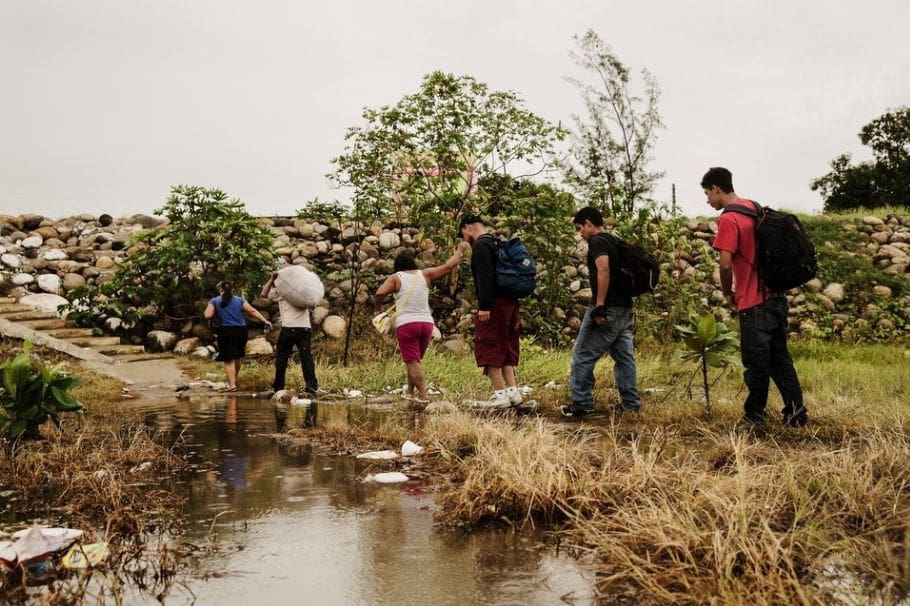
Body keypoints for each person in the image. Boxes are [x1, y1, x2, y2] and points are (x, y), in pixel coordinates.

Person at [701, 166, 808, 428]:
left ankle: (754, 416)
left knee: (755, 362)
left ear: (717, 188)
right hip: (776, 297)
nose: (707, 199)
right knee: (780, 359)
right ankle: (796, 413)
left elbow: (725, 264)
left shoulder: (728, 219)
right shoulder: (755, 208)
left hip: (753, 302)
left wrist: (727, 292)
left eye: (707, 193)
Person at [562, 206, 642, 417]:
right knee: (624, 357)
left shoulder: (597, 241)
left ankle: (582, 403)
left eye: (580, 228)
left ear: (589, 223)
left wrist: (599, 306)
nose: (580, 233)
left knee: (582, 355)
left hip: (608, 308)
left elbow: (603, 270)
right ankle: (631, 404)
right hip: (624, 308)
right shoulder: (614, 240)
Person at [373, 246, 467, 403]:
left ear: (398, 267)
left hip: (407, 325)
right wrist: (459, 251)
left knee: (412, 361)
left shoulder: (396, 277)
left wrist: (378, 309)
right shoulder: (425, 274)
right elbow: (448, 267)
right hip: (426, 324)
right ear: (413, 264)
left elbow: (379, 293)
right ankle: (409, 393)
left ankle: (424, 396)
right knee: (415, 360)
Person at [456, 215, 523, 408]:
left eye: (462, 233)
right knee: (506, 345)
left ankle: (500, 395)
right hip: (510, 302)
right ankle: (513, 393)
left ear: (467, 227)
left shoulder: (481, 246)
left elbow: (485, 277)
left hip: (494, 305)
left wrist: (484, 306)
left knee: (490, 346)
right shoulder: (497, 242)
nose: (464, 238)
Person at [260, 265, 323, 396]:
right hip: (305, 328)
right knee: (306, 358)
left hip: (289, 328)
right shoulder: (303, 292)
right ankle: (312, 387)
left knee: (282, 357)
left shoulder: (282, 292)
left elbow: (263, 293)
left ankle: (278, 387)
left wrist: (272, 279)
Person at [204, 280, 272, 392]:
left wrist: (214, 308)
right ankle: (234, 380)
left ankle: (232, 386)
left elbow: (207, 315)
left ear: (220, 290)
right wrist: (265, 320)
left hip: (225, 332)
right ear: (232, 290)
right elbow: (252, 311)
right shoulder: (240, 300)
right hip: (241, 332)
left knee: (228, 359)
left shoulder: (215, 301)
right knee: (237, 356)